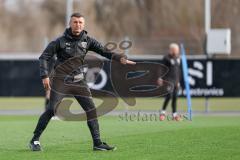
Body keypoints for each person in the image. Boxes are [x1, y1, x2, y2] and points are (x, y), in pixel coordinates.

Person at [29, 12, 136, 151]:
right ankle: (34, 140)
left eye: (80, 22)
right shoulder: (59, 41)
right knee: (52, 109)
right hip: (61, 80)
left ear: (83, 24)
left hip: (79, 81)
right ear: (70, 23)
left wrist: (120, 58)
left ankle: (97, 143)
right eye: (75, 22)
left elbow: (105, 52)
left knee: (91, 110)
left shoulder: (88, 41)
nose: (77, 24)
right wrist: (44, 75)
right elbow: (43, 57)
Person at [158, 43, 181, 121]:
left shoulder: (178, 58)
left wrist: (178, 81)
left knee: (175, 97)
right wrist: (160, 78)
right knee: (169, 96)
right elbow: (162, 68)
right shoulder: (166, 58)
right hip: (168, 80)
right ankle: (163, 113)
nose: (177, 51)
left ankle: (174, 115)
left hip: (176, 81)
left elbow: (178, 71)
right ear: (171, 50)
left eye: (177, 50)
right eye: (175, 50)